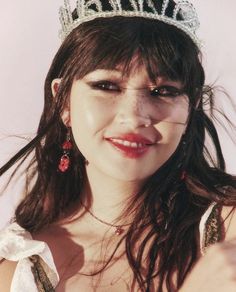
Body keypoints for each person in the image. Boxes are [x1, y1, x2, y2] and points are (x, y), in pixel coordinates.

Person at [0, 0, 236, 291]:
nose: (134, 117)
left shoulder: (226, 231)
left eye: (163, 91)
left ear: (192, 106)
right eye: (107, 86)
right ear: (63, 100)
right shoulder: (19, 269)